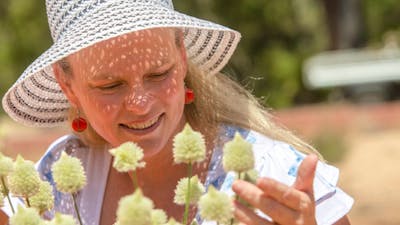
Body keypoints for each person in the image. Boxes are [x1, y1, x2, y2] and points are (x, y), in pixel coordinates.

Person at [1, 0, 353, 224]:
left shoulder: (274, 179)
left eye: (158, 74)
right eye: (110, 86)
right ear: (67, 86)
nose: (140, 104)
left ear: (182, 59)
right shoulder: (52, 185)